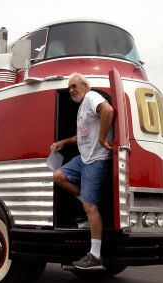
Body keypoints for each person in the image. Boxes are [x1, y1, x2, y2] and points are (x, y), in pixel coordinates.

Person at [51, 73, 114, 269]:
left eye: (75, 86)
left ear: (86, 85)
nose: (71, 90)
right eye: (69, 88)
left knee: (90, 208)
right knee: (58, 176)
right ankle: (86, 201)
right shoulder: (82, 108)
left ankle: (95, 256)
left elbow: (108, 111)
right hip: (83, 158)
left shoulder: (91, 97)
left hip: (96, 159)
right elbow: (83, 136)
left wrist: (103, 139)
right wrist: (64, 142)